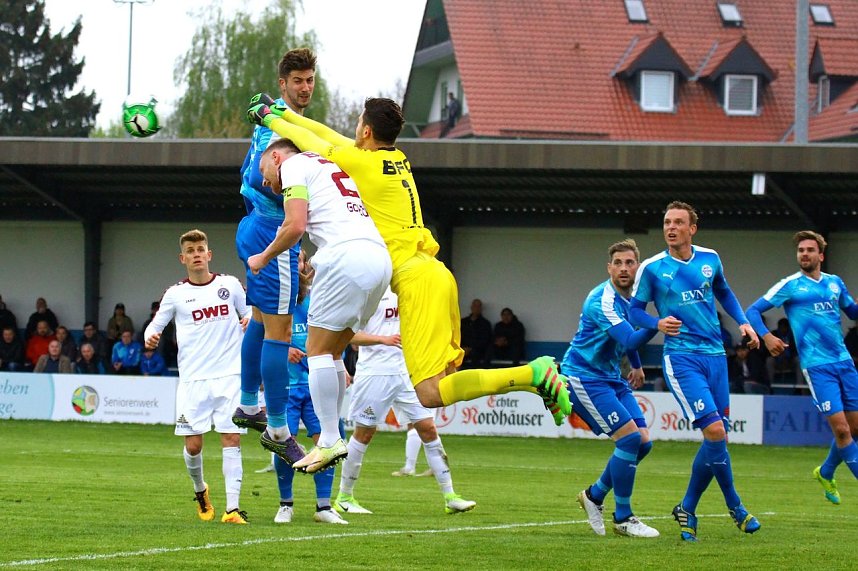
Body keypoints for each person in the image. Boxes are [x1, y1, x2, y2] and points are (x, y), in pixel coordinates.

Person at [246, 95, 569, 426]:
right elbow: (327, 135)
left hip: (416, 281)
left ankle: (534, 372)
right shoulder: (394, 158)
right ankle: (536, 383)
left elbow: (315, 141)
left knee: (430, 393)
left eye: (358, 120)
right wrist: (280, 112)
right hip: (436, 273)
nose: (354, 128)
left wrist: (270, 120)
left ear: (367, 130)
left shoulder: (360, 163)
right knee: (445, 379)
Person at [250, 136, 392, 474]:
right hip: (378, 259)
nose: (265, 180)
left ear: (276, 157)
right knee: (334, 353)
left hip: (345, 258)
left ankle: (329, 438)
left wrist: (263, 256)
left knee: (315, 351)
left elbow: (295, 225)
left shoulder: (296, 165)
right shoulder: (327, 167)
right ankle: (333, 434)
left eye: (263, 171)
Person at [629, 200, 761, 542]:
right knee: (716, 433)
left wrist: (744, 322)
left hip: (716, 356)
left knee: (716, 438)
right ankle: (736, 507)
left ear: (692, 229)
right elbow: (634, 312)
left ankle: (687, 507)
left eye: (677, 222)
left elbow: (725, 293)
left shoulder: (710, 259)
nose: (670, 227)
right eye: (666, 222)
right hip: (682, 358)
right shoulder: (653, 268)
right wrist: (656, 322)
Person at [231, 48, 319, 470]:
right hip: (269, 229)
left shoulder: (276, 117)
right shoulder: (280, 124)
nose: (305, 88)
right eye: (298, 81)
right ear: (283, 84)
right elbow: (259, 175)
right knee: (280, 333)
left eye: (310, 80)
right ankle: (280, 430)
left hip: (253, 226)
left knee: (263, 321)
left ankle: (249, 404)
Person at [334, 286, 476, 516]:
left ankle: (451, 497)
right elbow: (349, 335)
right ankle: (344, 497)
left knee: (428, 428)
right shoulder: (369, 292)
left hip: (408, 373)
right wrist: (383, 339)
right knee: (364, 433)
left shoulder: (411, 290)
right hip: (375, 373)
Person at [144, 228, 252, 524]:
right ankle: (200, 490)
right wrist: (150, 337)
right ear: (183, 258)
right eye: (190, 251)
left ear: (209, 254)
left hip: (230, 376)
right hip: (193, 380)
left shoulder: (230, 286)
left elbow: (251, 313)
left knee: (231, 438)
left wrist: (248, 319)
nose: (196, 255)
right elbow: (155, 326)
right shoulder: (176, 294)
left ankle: (232, 509)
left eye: (200, 249)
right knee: (193, 445)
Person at [746, 230, 858, 506]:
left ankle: (826, 471)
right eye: (801, 251)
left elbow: (852, 312)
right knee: (842, 431)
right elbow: (752, 311)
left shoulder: (834, 284)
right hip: (817, 368)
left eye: (810, 250)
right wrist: (767, 336)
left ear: (821, 255)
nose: (804, 254)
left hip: (844, 363)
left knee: (853, 429)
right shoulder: (791, 285)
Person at [563, 239, 659, 538]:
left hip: (611, 377)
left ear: (637, 268)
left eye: (629, 263)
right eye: (618, 263)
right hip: (583, 377)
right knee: (629, 440)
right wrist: (661, 323)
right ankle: (624, 517)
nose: (623, 268)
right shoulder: (601, 300)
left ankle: (594, 495)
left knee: (643, 442)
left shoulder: (632, 300)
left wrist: (637, 365)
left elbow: (627, 339)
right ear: (609, 267)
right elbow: (630, 337)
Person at [271, 250, 346, 525]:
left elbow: (336, 334)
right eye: (291, 259)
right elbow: (260, 339)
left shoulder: (319, 296)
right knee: (283, 444)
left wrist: (341, 365)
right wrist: (285, 350)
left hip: (314, 384)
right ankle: (285, 504)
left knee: (328, 440)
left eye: (299, 259)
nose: (296, 264)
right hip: (285, 386)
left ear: (305, 266)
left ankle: (324, 506)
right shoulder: (275, 295)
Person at [460, 298, 492, 368]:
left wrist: (471, 348)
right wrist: (463, 348)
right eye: (475, 306)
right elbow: (459, 336)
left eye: (478, 306)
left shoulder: (485, 323)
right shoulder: (463, 322)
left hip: (477, 350)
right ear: (471, 307)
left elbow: (485, 340)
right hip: (463, 348)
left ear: (481, 308)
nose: (476, 308)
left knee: (475, 355)